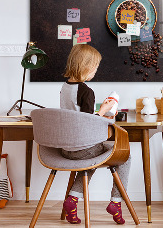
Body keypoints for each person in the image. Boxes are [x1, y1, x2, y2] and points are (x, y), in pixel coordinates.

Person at [60, 44, 131, 225]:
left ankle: (73, 200)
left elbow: (77, 116)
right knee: (125, 156)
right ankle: (116, 202)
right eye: (95, 68)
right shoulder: (86, 91)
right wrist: (105, 110)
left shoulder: (65, 87)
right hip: (83, 148)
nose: (95, 71)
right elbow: (88, 123)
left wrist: (101, 112)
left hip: (66, 148)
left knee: (90, 160)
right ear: (86, 67)